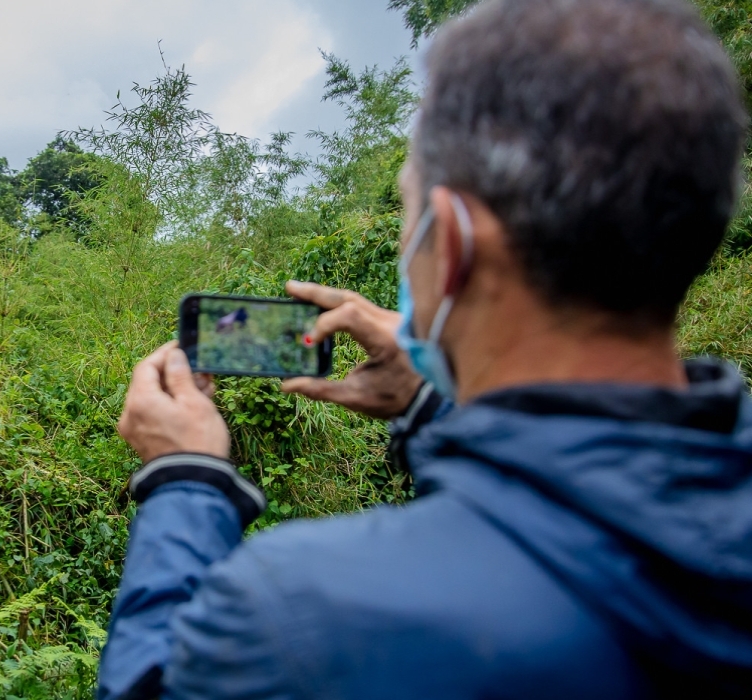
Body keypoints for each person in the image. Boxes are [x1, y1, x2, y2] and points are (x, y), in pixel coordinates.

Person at [95, 0, 752, 697]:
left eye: (408, 214)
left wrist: (186, 483)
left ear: (456, 243)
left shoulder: (301, 612)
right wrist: (427, 404)